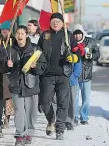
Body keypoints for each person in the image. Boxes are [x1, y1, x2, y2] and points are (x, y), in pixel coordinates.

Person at [38, 12, 79, 140]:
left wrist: (74, 57)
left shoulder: (68, 35)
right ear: (50, 23)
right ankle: (51, 120)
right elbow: (38, 52)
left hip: (63, 74)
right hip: (47, 75)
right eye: (53, 21)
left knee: (63, 103)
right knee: (44, 102)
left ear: (63, 23)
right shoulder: (45, 35)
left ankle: (60, 129)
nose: (55, 23)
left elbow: (77, 51)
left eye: (58, 21)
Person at [5, 25, 47, 146]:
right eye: (18, 33)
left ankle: (29, 133)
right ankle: (19, 135)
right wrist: (8, 66)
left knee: (31, 112)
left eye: (22, 34)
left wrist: (35, 67)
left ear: (26, 35)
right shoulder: (9, 50)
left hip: (31, 85)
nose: (20, 36)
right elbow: (2, 67)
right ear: (15, 35)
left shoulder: (35, 49)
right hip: (16, 85)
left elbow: (43, 67)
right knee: (19, 112)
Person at [73, 24, 100, 125]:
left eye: (79, 33)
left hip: (86, 74)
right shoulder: (71, 43)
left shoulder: (90, 42)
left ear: (82, 33)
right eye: (75, 34)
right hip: (74, 74)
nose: (77, 36)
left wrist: (92, 55)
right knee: (74, 97)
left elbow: (98, 54)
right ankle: (74, 117)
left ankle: (84, 117)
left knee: (86, 98)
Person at [65, 43, 84, 130]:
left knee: (71, 101)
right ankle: (60, 120)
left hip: (72, 82)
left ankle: (69, 121)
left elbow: (77, 71)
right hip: (60, 81)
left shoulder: (76, 54)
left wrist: (70, 79)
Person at [0, 20, 15, 128]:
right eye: (3, 30)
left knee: (8, 98)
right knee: (0, 97)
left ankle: (7, 117)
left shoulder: (14, 42)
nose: (5, 31)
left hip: (10, 74)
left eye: (7, 30)